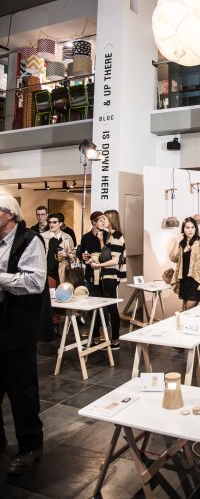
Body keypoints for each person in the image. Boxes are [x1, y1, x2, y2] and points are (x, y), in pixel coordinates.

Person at [0, 194, 49, 475]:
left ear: (9, 214)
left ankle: (31, 446)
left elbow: (35, 281)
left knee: (22, 392)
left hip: (18, 327)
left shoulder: (29, 240)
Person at [90, 209, 126, 350]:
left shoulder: (116, 236)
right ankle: (98, 338)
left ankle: (115, 340)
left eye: (104, 218)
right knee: (99, 305)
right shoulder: (109, 235)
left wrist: (98, 265)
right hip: (105, 275)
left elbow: (114, 260)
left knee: (111, 308)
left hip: (111, 276)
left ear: (111, 219)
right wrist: (101, 241)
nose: (102, 221)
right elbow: (106, 254)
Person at [170, 217, 200, 311]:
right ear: (183, 229)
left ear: (195, 229)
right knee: (186, 310)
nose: (190, 230)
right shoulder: (181, 244)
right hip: (184, 280)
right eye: (187, 227)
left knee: (188, 309)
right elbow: (173, 258)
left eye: (192, 227)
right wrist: (177, 242)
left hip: (196, 281)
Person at [79, 211, 107, 296]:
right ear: (94, 222)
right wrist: (83, 256)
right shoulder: (85, 237)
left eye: (104, 220)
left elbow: (107, 255)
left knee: (105, 301)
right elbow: (80, 254)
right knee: (89, 299)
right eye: (101, 221)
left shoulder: (108, 235)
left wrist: (101, 240)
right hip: (89, 273)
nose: (103, 223)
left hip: (104, 274)